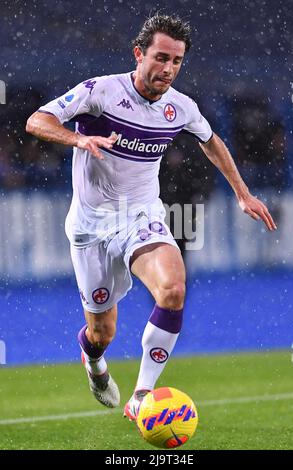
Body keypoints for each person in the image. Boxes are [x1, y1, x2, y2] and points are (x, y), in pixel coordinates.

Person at [26, 14, 277, 421]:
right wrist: (78, 137)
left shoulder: (181, 108)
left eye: (177, 61)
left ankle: (143, 394)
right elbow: (37, 120)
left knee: (173, 288)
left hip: (141, 216)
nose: (168, 69)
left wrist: (243, 193)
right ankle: (93, 362)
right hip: (91, 227)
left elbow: (211, 141)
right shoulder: (101, 90)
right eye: (161, 58)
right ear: (139, 53)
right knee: (100, 334)